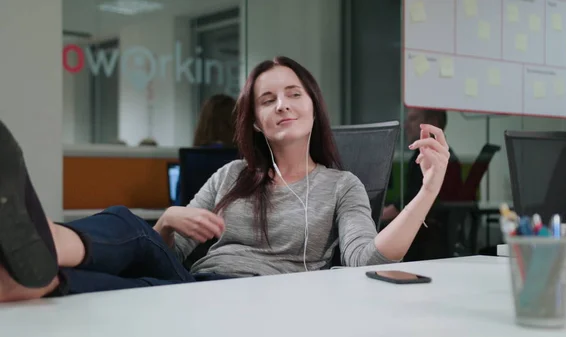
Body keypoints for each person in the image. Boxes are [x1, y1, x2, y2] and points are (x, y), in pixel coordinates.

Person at [0, 56, 450, 302]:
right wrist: (170, 222)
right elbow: (160, 251)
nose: (282, 105)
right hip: (194, 285)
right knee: (131, 227)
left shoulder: (341, 185)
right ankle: (39, 243)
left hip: (250, 298)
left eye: (293, 94)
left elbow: (366, 259)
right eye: (267, 99)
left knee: (107, 292)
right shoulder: (234, 174)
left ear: (313, 106)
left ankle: (25, 277)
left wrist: (428, 189)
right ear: (255, 121)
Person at [381, 107, 463, 261]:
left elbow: (408, 203)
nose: (406, 125)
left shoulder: (429, 161)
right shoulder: (447, 158)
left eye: (413, 119)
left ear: (432, 123)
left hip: (425, 243)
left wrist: (377, 215)